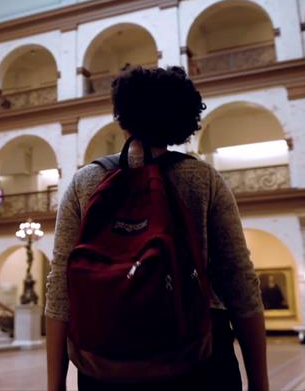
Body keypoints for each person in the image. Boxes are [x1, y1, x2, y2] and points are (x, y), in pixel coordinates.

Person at [46, 66, 268, 391]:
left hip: (106, 356)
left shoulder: (85, 181)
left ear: (122, 118)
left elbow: (59, 287)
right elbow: (240, 282)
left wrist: (55, 386)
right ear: (182, 120)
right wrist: (260, 383)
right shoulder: (203, 180)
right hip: (198, 357)